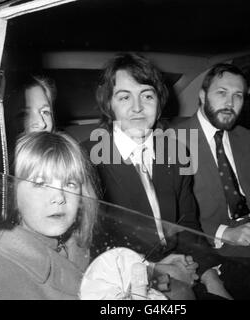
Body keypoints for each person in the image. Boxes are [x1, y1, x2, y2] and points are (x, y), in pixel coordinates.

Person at [83, 52, 232, 299]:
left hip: (181, 264)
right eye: (124, 97)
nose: (138, 107)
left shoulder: (175, 152)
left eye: (147, 96)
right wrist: (153, 269)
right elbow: (92, 247)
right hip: (125, 281)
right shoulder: (87, 160)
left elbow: (187, 224)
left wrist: (211, 277)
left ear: (159, 102)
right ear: (109, 104)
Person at [172, 63, 250, 257]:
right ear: (202, 96)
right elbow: (173, 213)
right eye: (222, 93)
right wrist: (224, 233)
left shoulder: (243, 136)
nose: (230, 103)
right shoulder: (173, 140)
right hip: (216, 239)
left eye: (238, 95)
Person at [0, 131, 97, 299]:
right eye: (40, 183)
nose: (59, 197)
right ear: (13, 195)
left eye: (70, 183)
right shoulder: (3, 270)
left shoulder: (76, 246)